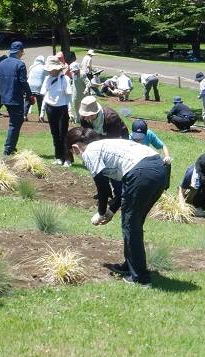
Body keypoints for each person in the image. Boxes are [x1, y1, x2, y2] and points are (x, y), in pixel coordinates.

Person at [69, 130, 167, 286]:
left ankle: (140, 277)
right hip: (159, 169)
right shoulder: (105, 146)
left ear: (75, 147)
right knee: (134, 222)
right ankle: (130, 265)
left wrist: (101, 212)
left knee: (130, 224)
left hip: (142, 172)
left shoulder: (89, 152)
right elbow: (123, 189)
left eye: (73, 152)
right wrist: (111, 211)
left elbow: (103, 188)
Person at [0, 41, 32, 156]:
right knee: (14, 124)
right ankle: (8, 149)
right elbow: (23, 82)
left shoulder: (1, 64)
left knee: (15, 122)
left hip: (4, 98)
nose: (22, 55)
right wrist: (30, 95)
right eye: (22, 52)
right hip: (15, 99)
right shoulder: (20, 64)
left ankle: (11, 147)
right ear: (19, 52)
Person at [40, 55, 72, 166]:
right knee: (55, 134)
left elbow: (69, 97)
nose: (49, 71)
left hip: (62, 109)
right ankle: (58, 157)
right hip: (50, 108)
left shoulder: (65, 79)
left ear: (57, 68)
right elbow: (45, 95)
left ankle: (67, 158)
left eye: (51, 69)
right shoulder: (47, 79)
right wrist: (42, 111)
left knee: (63, 134)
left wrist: (70, 111)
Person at [25, 54, 47, 121]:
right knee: (40, 102)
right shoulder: (44, 68)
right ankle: (41, 117)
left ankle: (24, 115)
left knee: (28, 101)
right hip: (39, 86)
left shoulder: (32, 67)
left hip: (30, 86)